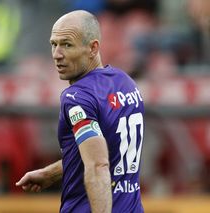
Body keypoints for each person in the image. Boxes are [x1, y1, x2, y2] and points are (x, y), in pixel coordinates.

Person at [16, 10, 145, 213]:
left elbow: (98, 164)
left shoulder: (77, 97)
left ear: (93, 48)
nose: (57, 54)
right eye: (54, 44)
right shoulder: (126, 84)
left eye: (67, 45)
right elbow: (106, 150)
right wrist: (50, 174)